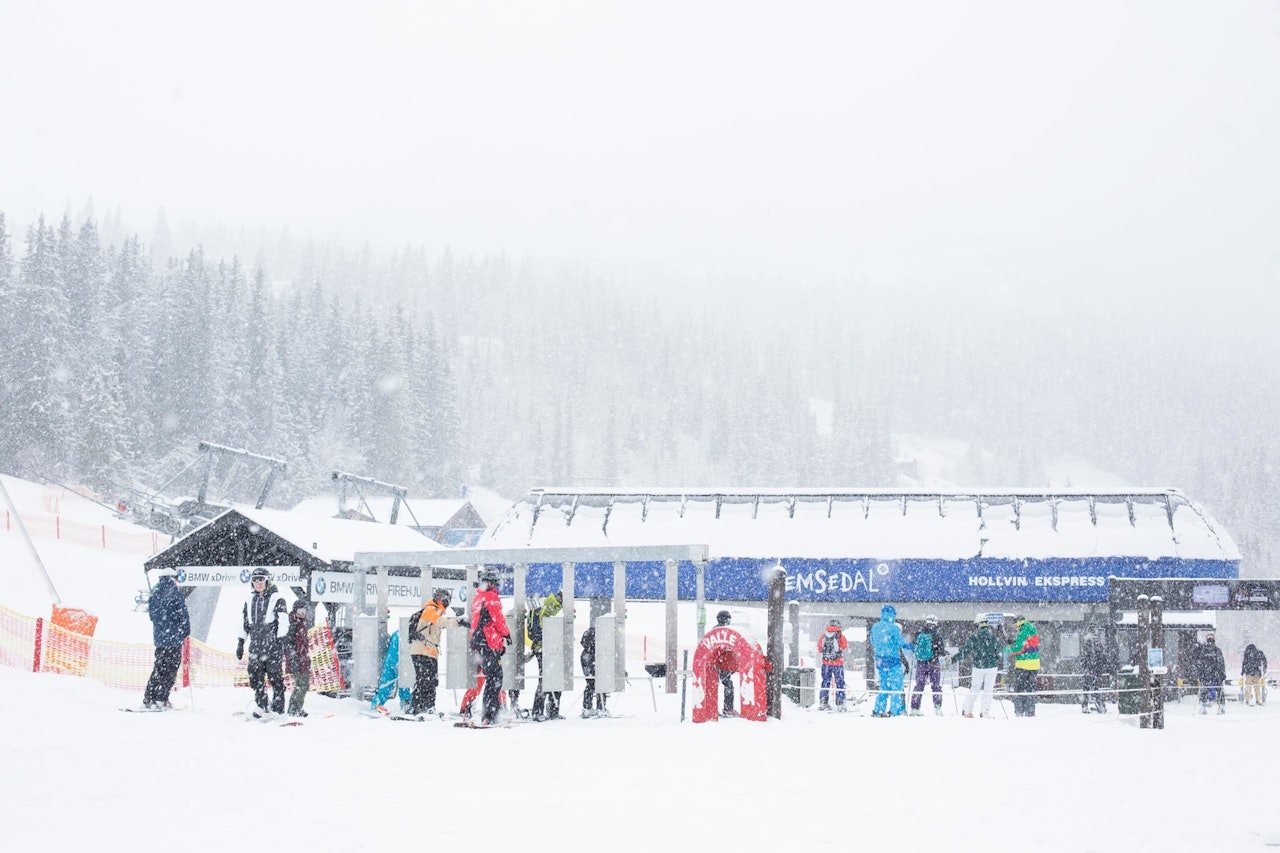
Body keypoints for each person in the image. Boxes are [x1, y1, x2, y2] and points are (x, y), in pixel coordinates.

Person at [237, 567, 289, 717]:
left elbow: (283, 621)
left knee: (275, 678)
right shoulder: (249, 600)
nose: (258, 583)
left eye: (261, 580)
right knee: (255, 675)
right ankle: (261, 704)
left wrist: (281, 641)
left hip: (272, 645)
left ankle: (278, 708)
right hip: (256, 646)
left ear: (267, 581)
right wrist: (241, 642)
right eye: (255, 580)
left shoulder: (277, 598)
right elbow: (244, 623)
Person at [406, 588, 463, 716]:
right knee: (423, 680)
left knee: (432, 681)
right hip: (421, 651)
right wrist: (458, 623)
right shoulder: (430, 609)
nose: (447, 604)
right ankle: (416, 707)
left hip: (430, 652)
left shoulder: (437, 612)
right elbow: (441, 622)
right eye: (446, 601)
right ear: (439, 600)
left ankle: (429, 707)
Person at [468, 567, 512, 726]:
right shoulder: (491, 597)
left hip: (479, 644)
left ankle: (490, 713)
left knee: (491, 677)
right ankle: (490, 715)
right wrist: (506, 634)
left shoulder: (478, 597)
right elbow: (497, 619)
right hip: (488, 642)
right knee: (495, 678)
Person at [142, 571, 190, 710]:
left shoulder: (155, 593)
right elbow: (183, 615)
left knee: (159, 668)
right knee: (171, 669)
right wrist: (185, 630)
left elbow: (152, 616)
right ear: (172, 578)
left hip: (160, 639)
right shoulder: (175, 594)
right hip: (174, 638)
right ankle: (161, 698)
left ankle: (149, 697)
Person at [952, 616, 1000, 718]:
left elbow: (966, 650)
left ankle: (967, 710)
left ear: (978, 625)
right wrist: (994, 659)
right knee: (988, 690)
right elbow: (998, 652)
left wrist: (954, 658)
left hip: (978, 666)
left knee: (974, 688)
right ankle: (985, 712)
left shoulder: (974, 637)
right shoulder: (994, 637)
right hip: (992, 667)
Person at [869, 604, 912, 717]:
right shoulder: (893, 628)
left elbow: (872, 641)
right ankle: (894, 711)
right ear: (892, 615)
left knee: (884, 686)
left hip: (880, 660)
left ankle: (879, 710)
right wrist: (912, 646)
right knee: (896, 687)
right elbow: (901, 643)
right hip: (892, 660)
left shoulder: (875, 627)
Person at [529, 590, 565, 721]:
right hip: (544, 648)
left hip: (550, 649)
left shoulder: (554, 607)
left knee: (553, 678)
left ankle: (551, 710)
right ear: (560, 598)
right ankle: (540, 711)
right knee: (546, 679)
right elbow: (547, 629)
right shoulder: (550, 608)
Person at [910, 614, 946, 716]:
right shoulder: (937, 636)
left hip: (921, 663)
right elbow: (941, 651)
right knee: (936, 686)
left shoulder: (918, 634)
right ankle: (938, 708)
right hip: (934, 664)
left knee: (919, 685)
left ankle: (914, 708)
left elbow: (914, 647)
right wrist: (941, 652)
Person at [1005, 615, 1041, 717]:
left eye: (1016, 624)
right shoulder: (1033, 629)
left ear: (1019, 623)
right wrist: (1014, 642)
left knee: (1020, 689)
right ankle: (1030, 711)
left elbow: (1019, 649)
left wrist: (1008, 649)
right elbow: (1027, 645)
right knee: (1031, 689)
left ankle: (1019, 711)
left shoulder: (1023, 632)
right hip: (1034, 665)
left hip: (1023, 665)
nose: (1015, 627)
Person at [283, 599, 311, 718]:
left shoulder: (302, 623)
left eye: (304, 611)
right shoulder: (292, 624)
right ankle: (294, 708)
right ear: (295, 611)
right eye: (300, 611)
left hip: (302, 659)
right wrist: (293, 659)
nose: (303, 613)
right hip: (296, 660)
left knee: (304, 684)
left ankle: (297, 707)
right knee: (302, 684)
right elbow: (288, 643)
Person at [817, 617, 848, 711]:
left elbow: (819, 648)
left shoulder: (823, 636)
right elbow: (844, 646)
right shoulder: (840, 635)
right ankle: (840, 703)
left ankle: (823, 702)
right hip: (837, 663)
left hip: (826, 663)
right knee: (840, 682)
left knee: (825, 682)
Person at [580, 624, 608, 717]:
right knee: (598, 683)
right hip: (591, 658)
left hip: (587, 658)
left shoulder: (589, 632)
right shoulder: (598, 633)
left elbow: (583, 643)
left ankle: (588, 707)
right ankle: (600, 707)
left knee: (591, 683)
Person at [1079, 633, 1111, 714]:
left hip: (1090, 673)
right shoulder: (1097, 652)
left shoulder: (1088, 651)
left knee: (1088, 689)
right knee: (1095, 689)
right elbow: (1104, 662)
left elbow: (1083, 662)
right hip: (1095, 673)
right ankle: (1098, 704)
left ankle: (1088, 705)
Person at [1196, 633, 1227, 715]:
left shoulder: (1203, 651)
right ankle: (1221, 707)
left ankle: (1203, 707)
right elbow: (1221, 663)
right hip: (1216, 674)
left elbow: (1200, 664)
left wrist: (1200, 674)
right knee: (1220, 691)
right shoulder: (1217, 650)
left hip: (1206, 675)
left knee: (1203, 691)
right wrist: (1223, 674)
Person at [714, 610, 737, 717]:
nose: (729, 621)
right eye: (728, 618)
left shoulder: (716, 630)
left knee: (715, 686)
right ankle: (728, 709)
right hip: (721, 664)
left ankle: (712, 709)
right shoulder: (723, 631)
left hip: (720, 664)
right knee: (728, 685)